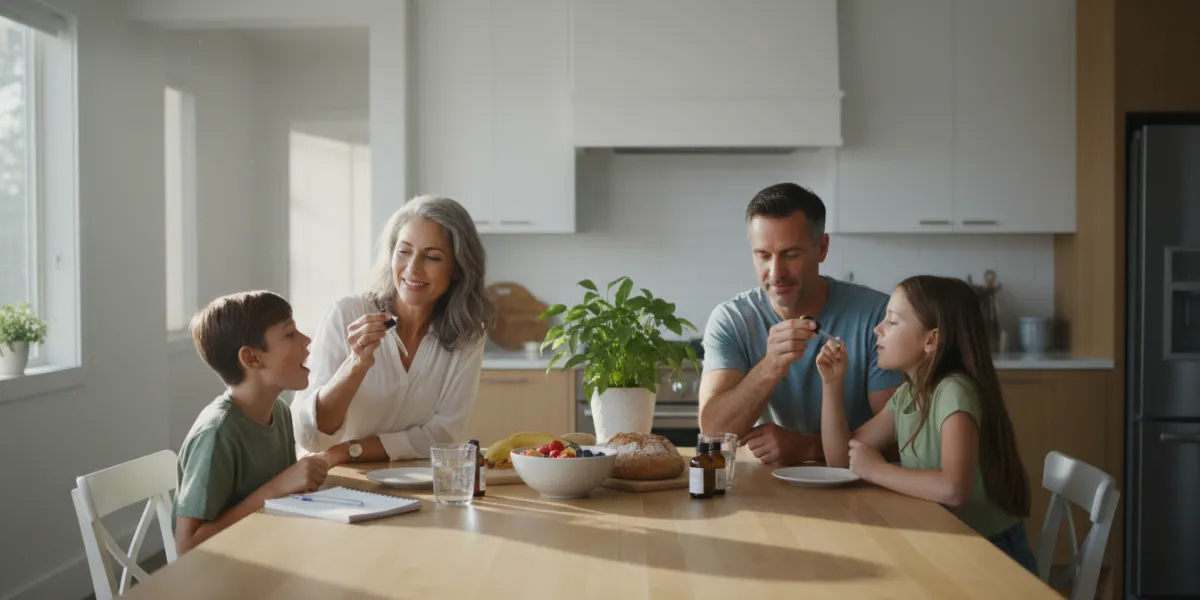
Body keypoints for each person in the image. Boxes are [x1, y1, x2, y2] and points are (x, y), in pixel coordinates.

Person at [816, 275, 1036, 572]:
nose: (877, 330)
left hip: (990, 553)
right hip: (949, 542)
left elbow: (954, 488)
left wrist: (879, 470)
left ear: (931, 340)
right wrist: (832, 384)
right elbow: (841, 460)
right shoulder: (910, 393)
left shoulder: (953, 391)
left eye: (892, 322)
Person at [699, 182, 901, 465]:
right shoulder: (732, 320)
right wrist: (771, 365)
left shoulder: (876, 316)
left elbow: (902, 440)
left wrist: (808, 448)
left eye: (791, 255)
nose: (776, 272)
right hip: (769, 489)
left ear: (822, 248)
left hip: (862, 487)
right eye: (763, 255)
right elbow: (714, 434)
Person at [291, 195, 493, 465]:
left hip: (409, 483)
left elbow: (441, 435)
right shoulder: (347, 314)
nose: (412, 269)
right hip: (330, 479)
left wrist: (348, 450)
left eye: (432, 257)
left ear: (457, 268)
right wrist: (356, 364)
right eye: (404, 251)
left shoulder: (468, 335)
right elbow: (310, 435)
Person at [175, 291, 328, 555]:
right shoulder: (217, 434)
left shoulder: (278, 410)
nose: (307, 341)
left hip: (270, 553)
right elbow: (187, 546)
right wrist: (278, 487)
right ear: (252, 358)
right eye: (290, 334)